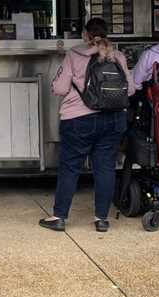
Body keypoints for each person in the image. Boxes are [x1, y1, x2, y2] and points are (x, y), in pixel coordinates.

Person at [40, 17, 134, 233]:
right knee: (105, 168)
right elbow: (130, 90)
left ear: (85, 35)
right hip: (113, 119)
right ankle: (102, 219)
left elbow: (61, 88)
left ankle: (60, 217)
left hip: (78, 120)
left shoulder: (74, 55)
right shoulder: (118, 56)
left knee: (70, 168)